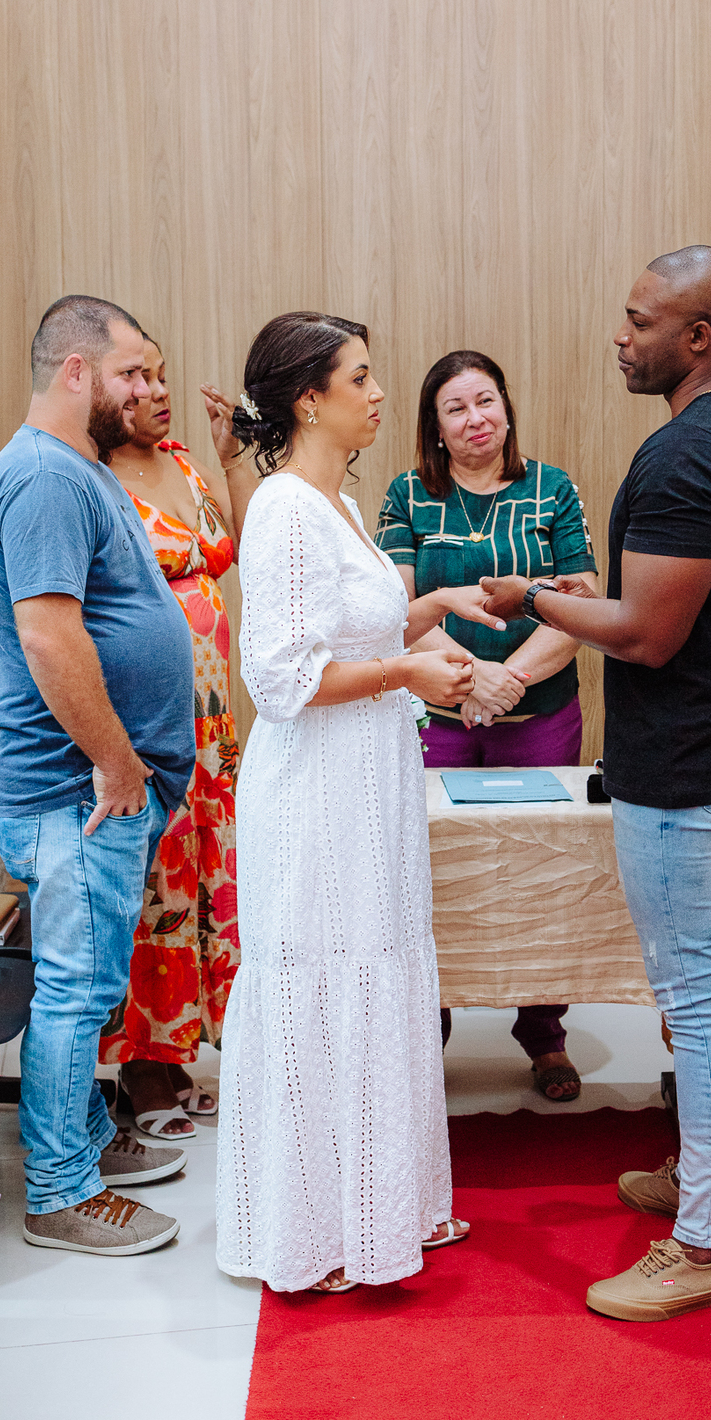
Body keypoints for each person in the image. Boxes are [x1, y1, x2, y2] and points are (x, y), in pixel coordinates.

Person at [483, 245, 711, 1320]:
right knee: (698, 992)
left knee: (695, 999)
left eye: (640, 320)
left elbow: (649, 635)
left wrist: (534, 597)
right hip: (710, 751)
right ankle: (699, 1181)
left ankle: (704, 1241)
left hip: (683, 764)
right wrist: (587, 593)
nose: (620, 336)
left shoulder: (685, 456)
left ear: (699, 336)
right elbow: (667, 607)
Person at [214, 312, 507, 1293]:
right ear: (309, 400)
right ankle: (316, 1235)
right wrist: (409, 673)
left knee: (377, 967)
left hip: (366, 781)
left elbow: (354, 627)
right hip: (316, 790)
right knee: (325, 977)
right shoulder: (285, 509)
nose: (381, 394)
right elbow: (282, 678)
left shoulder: (337, 502)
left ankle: (386, 1208)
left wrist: (430, 613)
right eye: (361, 378)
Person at [0, 295, 197, 1256]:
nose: (147, 388)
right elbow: (48, 636)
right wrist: (116, 761)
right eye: (131, 372)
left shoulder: (79, 469)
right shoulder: (43, 478)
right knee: (76, 992)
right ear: (76, 372)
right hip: (77, 789)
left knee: (93, 982)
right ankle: (61, 1191)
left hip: (98, 789)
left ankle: (88, 1140)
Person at [375, 350, 599, 1102]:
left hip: (538, 714)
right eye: (456, 408)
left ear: (506, 406)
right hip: (437, 716)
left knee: (542, 871)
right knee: (429, 876)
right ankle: (424, 1033)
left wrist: (510, 682)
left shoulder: (551, 489)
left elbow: (583, 602)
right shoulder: (408, 495)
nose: (476, 420)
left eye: (486, 401)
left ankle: (545, 1035)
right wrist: (474, 677)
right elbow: (397, 613)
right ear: (434, 427)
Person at [99, 336, 257, 1138]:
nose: (160, 390)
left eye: (163, 374)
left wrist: (231, 458)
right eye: (139, 376)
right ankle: (140, 1065)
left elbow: (239, 550)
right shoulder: (92, 481)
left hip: (212, 731)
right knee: (154, 892)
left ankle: (177, 1049)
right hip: (146, 729)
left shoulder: (186, 464)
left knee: (200, 889)